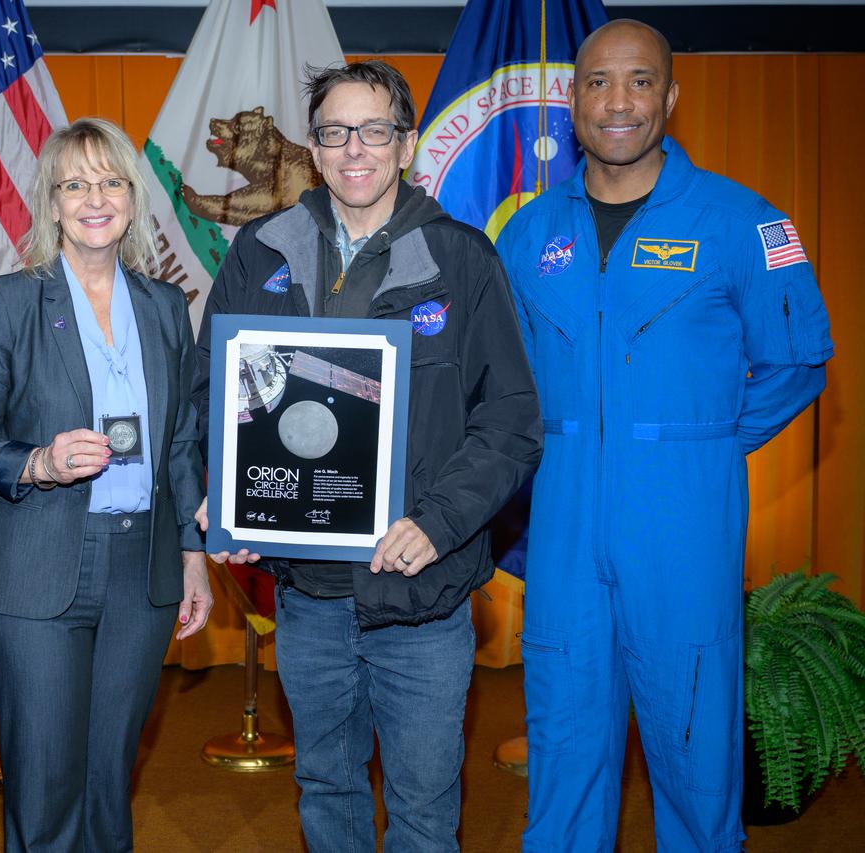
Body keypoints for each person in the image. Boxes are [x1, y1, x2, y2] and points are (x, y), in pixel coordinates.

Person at [496, 20, 834, 852]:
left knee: (694, 749)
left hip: (682, 527)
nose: (618, 102)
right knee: (566, 740)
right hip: (564, 528)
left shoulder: (741, 223)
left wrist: (697, 443)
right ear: (572, 103)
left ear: (671, 97)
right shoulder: (528, 235)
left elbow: (797, 367)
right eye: (598, 83)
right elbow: (500, 384)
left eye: (640, 82)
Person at [193, 61, 542, 852]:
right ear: (313, 148)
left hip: (422, 597)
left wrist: (438, 522)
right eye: (335, 132)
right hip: (308, 599)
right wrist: (228, 493)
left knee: (422, 808)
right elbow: (212, 394)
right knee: (327, 789)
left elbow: (513, 420)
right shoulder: (261, 252)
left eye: (375, 129)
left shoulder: (461, 261)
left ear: (407, 143)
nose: (356, 149)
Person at [0, 117, 212, 853]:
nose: (96, 197)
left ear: (132, 198)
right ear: (51, 203)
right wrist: (37, 462)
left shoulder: (163, 306)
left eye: (112, 181)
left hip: (142, 576)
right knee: (47, 787)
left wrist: (192, 557)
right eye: (76, 184)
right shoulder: (8, 300)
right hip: (38, 569)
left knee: (107, 786)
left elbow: (181, 442)